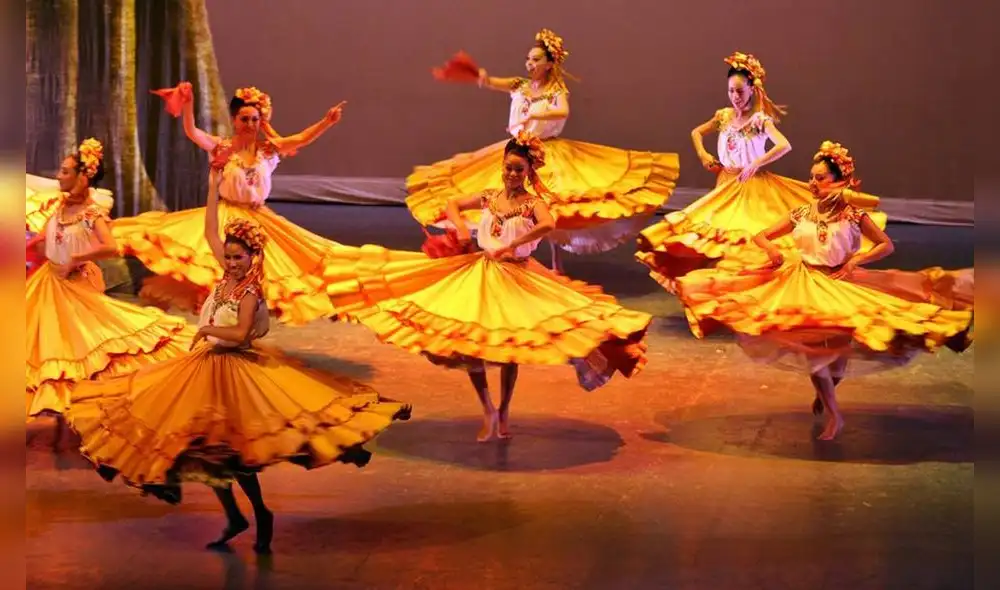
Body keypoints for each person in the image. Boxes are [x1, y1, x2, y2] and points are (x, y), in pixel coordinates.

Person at [66, 171, 412, 554]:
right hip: (204, 366)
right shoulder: (226, 276)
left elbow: (242, 332)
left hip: (235, 370)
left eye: (237, 257)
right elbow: (210, 231)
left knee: (236, 454)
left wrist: (206, 329)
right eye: (228, 257)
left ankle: (260, 513)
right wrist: (213, 189)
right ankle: (233, 515)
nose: (230, 263)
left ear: (252, 258)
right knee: (204, 450)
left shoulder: (250, 292)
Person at [329, 133, 651, 441]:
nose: (512, 174)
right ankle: (488, 410)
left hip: (517, 275)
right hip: (482, 271)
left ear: (528, 172)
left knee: (510, 347)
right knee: (471, 342)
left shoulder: (532, 203)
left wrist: (515, 244)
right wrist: (460, 228)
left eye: (519, 169)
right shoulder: (488, 197)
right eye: (508, 168)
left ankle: (505, 409)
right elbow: (453, 204)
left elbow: (548, 223)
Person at [674, 141, 973, 440]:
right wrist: (773, 251)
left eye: (820, 178)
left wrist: (856, 260)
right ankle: (834, 414)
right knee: (815, 353)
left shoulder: (854, 215)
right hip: (803, 282)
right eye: (811, 177)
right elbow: (762, 235)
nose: (812, 183)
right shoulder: (801, 213)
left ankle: (825, 393)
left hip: (841, 282)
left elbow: (886, 245)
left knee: (838, 354)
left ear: (839, 181)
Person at [409, 29, 679, 273]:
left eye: (536, 59)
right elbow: (492, 82)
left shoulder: (556, 90)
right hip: (517, 148)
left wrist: (533, 115)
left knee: (547, 205)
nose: (530, 64)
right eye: (528, 59)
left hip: (545, 152)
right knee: (504, 200)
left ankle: (552, 263)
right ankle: (501, 250)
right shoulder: (519, 85)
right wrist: (479, 76)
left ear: (549, 63)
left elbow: (563, 111)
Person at [636, 51, 886, 288]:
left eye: (740, 91)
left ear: (752, 89)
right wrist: (704, 155)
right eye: (731, 91)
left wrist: (756, 163)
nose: (735, 96)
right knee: (715, 233)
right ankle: (719, 281)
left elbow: (784, 144)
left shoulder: (759, 120)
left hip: (751, 185)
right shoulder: (724, 116)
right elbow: (696, 132)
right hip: (726, 182)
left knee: (744, 234)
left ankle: (746, 283)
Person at [111, 83, 351, 324]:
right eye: (244, 119)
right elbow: (192, 131)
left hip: (258, 219)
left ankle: (239, 325)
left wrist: (327, 121)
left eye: (254, 119)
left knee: (276, 269)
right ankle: (215, 322)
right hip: (226, 217)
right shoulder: (221, 147)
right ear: (235, 121)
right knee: (216, 270)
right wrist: (188, 104)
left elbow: (300, 139)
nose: (250, 124)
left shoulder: (268, 150)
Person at [25, 138, 192, 443]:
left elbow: (110, 246)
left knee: (82, 343)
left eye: (65, 171)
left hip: (76, 283)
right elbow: (45, 239)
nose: (59, 176)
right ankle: (59, 405)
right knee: (39, 337)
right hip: (49, 281)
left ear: (82, 177)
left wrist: (77, 257)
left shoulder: (91, 213)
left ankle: (84, 406)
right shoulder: (59, 206)